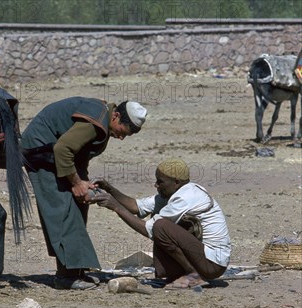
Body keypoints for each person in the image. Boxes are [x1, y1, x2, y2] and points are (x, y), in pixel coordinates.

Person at [21, 98, 147, 290]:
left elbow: (79, 155)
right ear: (116, 116)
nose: (121, 138)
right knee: (62, 206)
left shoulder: (104, 121)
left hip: (58, 154)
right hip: (41, 150)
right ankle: (66, 277)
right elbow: (63, 149)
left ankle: (76, 269)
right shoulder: (96, 121)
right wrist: (76, 183)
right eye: (122, 132)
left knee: (79, 202)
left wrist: (83, 183)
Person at [92, 158, 231, 289]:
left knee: (160, 226)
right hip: (203, 258)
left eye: (160, 182)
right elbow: (136, 206)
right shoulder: (174, 192)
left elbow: (149, 229)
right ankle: (182, 273)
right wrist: (109, 189)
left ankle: (194, 275)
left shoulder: (186, 197)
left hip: (213, 263)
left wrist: (116, 206)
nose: (156, 185)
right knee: (158, 220)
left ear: (176, 182)